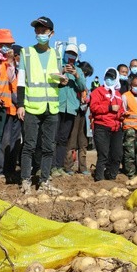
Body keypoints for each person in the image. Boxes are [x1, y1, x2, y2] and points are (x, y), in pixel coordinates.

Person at [16, 16, 65, 195]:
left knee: (48, 147)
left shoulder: (57, 54)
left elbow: (56, 80)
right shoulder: (27, 52)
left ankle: (45, 181)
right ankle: (25, 180)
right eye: (37, 30)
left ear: (51, 33)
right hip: (32, 107)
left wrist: (63, 81)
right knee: (29, 145)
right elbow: (21, 81)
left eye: (43, 30)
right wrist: (20, 104)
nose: (39, 33)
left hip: (51, 107)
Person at [52, 43, 86, 176]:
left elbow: (82, 87)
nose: (70, 56)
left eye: (73, 54)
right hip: (57, 106)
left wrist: (76, 75)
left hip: (71, 108)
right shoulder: (58, 66)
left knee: (63, 138)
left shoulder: (79, 71)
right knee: (53, 137)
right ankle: (51, 166)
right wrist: (62, 72)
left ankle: (59, 166)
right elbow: (51, 81)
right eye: (69, 53)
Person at [89, 68, 124, 181]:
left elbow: (120, 110)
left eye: (112, 77)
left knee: (117, 154)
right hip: (102, 126)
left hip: (116, 127)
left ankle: (111, 176)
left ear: (116, 79)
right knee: (103, 154)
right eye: (107, 77)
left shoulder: (118, 94)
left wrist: (122, 115)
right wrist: (109, 107)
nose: (109, 79)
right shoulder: (98, 91)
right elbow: (93, 107)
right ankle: (99, 178)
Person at [0, 29, 17, 177]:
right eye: (5, 44)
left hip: (4, 105)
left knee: (1, 138)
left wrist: (11, 62)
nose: (8, 47)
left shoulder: (8, 63)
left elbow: (12, 80)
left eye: (9, 45)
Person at [66, 60, 91, 175]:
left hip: (83, 115)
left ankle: (83, 167)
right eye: (84, 74)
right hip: (74, 113)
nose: (84, 77)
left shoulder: (85, 88)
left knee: (83, 141)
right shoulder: (73, 84)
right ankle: (68, 166)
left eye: (86, 75)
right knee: (72, 141)